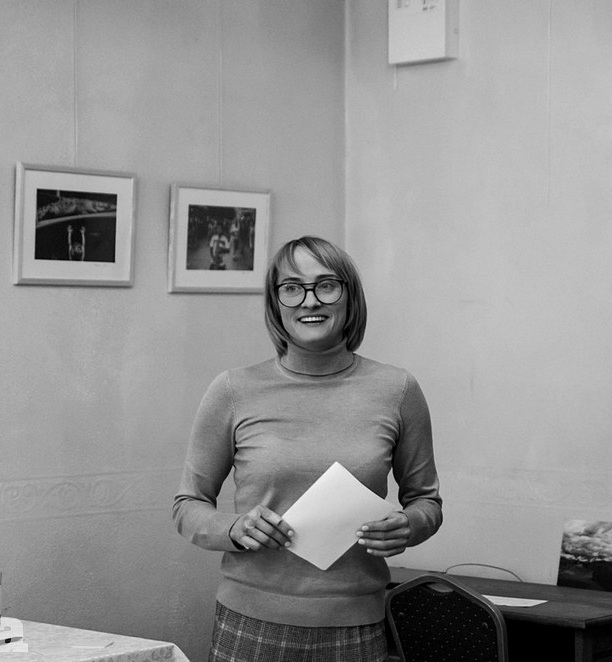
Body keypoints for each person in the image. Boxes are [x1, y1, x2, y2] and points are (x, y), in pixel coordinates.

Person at [173, 235, 443, 662]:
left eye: (326, 285)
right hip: (251, 623)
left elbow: (426, 501)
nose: (310, 300)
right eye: (292, 287)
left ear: (349, 297)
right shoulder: (232, 390)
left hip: (356, 626)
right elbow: (187, 505)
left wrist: (410, 525)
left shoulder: (398, 390)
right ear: (276, 302)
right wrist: (234, 529)